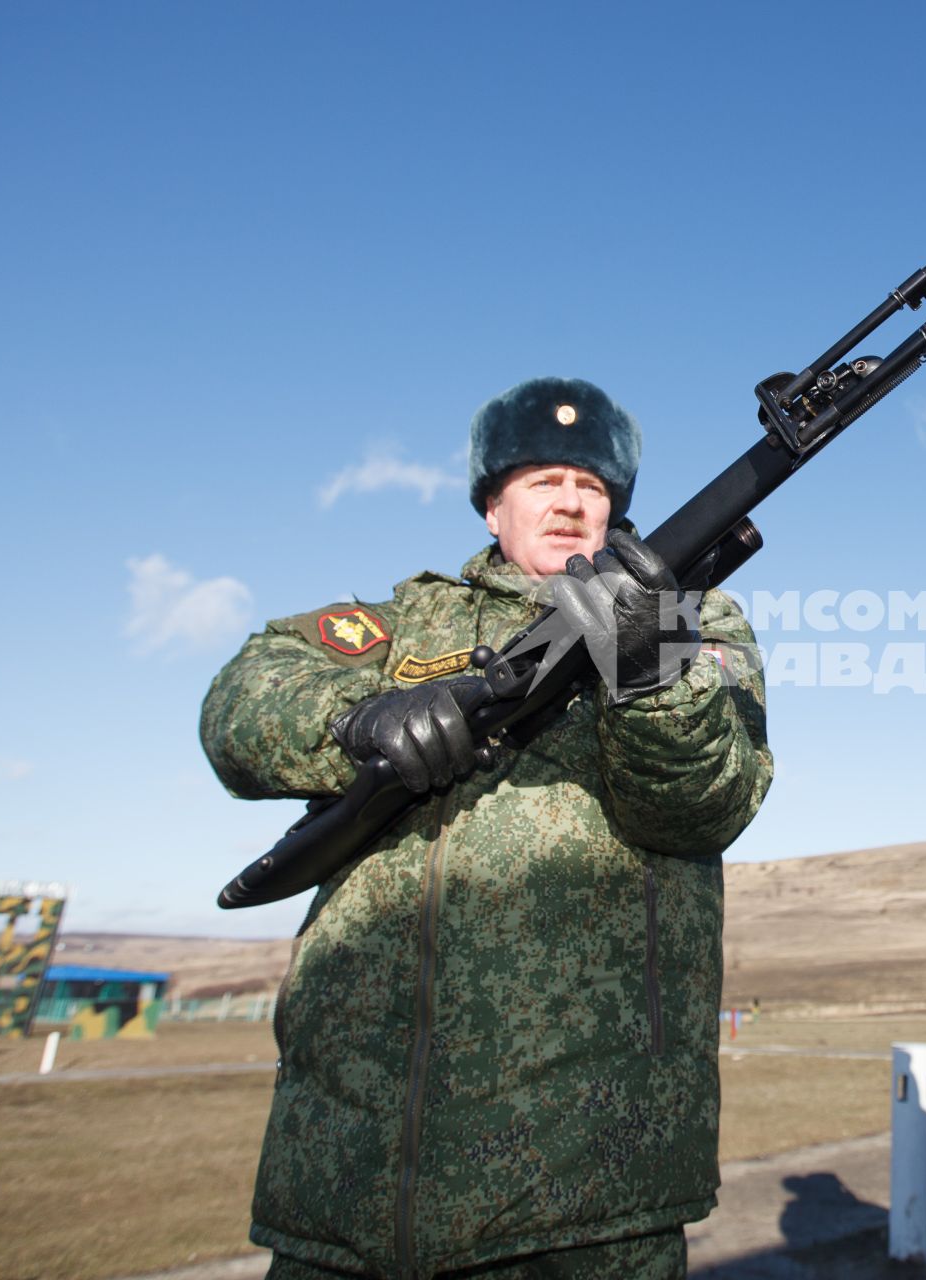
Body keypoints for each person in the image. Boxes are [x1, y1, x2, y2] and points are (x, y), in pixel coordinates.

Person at [201, 376, 772, 1280]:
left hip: (589, 1194)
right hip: (349, 1180)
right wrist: (361, 718)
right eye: (546, 481)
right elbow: (241, 699)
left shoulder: (690, 625)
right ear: (492, 505)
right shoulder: (398, 625)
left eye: (594, 488)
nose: (573, 503)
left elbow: (704, 805)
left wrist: (651, 670)